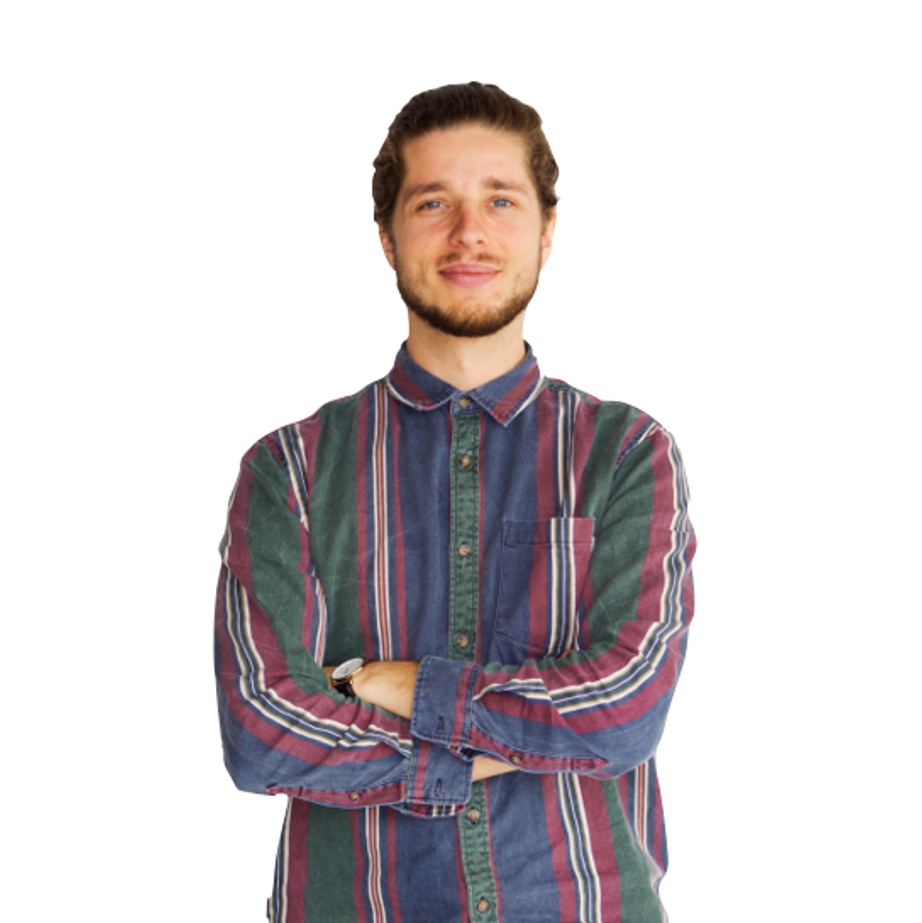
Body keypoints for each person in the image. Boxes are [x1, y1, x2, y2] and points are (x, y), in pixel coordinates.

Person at [215, 81, 696, 923]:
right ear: (386, 235)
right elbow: (262, 732)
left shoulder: (626, 453)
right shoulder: (288, 469)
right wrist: (497, 744)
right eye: (433, 202)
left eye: (500, 200)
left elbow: (624, 711)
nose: (469, 232)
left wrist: (383, 684)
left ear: (547, 231)